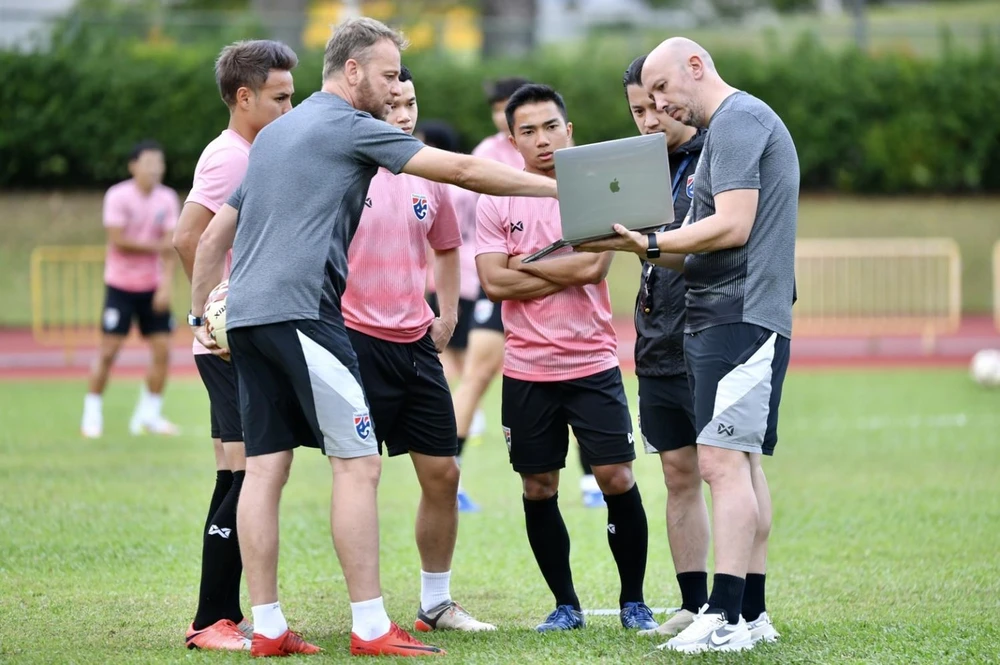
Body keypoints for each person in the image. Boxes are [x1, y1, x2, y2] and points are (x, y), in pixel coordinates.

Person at [189, 17, 557, 657]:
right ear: (352, 70)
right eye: (388, 76)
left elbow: (214, 236)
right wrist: (561, 188)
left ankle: (268, 628)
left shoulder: (276, 133)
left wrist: (202, 320)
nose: (394, 90)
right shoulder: (348, 123)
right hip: (305, 315)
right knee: (357, 466)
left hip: (246, 320)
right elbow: (462, 171)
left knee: (264, 470)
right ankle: (369, 626)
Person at [579, 37, 798, 653]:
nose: (659, 108)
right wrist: (633, 243)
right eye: (647, 99)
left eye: (663, 90)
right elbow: (698, 248)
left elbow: (733, 225)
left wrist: (649, 244)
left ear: (695, 67)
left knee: (722, 465)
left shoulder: (738, 119)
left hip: (740, 314)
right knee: (737, 464)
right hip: (720, 313)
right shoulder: (728, 125)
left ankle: (723, 616)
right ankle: (749, 614)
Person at [475, 83, 657, 634]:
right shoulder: (495, 199)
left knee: (616, 477)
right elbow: (492, 283)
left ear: (569, 130)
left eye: (551, 126)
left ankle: (634, 602)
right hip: (526, 369)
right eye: (528, 131)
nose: (542, 139)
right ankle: (565, 604)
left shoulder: (595, 189)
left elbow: (592, 268)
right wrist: (546, 268)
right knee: (539, 487)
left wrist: (521, 264)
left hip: (592, 361)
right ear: (512, 141)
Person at [340, 65, 495, 633]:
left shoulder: (427, 171)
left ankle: (436, 603)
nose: (404, 115)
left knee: (444, 474)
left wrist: (447, 313)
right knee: (358, 479)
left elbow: (448, 246)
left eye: (410, 104)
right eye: (392, 105)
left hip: (416, 344)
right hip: (353, 342)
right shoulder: (344, 167)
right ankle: (367, 614)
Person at [172, 39, 298, 651]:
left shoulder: (256, 150)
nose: (289, 109)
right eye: (280, 98)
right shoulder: (231, 157)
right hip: (229, 346)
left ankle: (222, 614)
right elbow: (187, 237)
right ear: (244, 97)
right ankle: (208, 620)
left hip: (238, 342)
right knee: (251, 475)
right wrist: (213, 315)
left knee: (237, 475)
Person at [620, 54, 711, 639]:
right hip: (655, 341)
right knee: (678, 474)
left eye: (655, 106)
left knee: (727, 470)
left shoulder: (717, 154)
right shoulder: (636, 166)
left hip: (711, 332)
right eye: (637, 111)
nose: (650, 120)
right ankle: (693, 604)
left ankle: (741, 604)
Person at [446, 76, 528, 512]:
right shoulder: (484, 155)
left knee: (572, 375)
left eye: (508, 106)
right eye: (497, 108)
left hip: (551, 279)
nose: (501, 115)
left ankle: (593, 480)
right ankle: (450, 476)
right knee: (476, 375)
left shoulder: (555, 151)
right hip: (495, 280)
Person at [80, 140, 180, 439]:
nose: (155, 169)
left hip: (152, 287)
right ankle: (92, 414)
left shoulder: (167, 198)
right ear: (133, 166)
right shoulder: (118, 195)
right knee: (109, 351)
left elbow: (170, 248)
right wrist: (158, 246)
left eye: (159, 163)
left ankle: (148, 416)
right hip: (121, 286)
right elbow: (119, 239)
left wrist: (165, 287)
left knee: (163, 351)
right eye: (149, 163)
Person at [418, 120, 478, 386]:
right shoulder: (468, 187)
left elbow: (440, 242)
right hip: (472, 272)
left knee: (446, 352)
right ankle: (469, 403)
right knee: (460, 352)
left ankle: (462, 404)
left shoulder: (438, 186)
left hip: (449, 275)